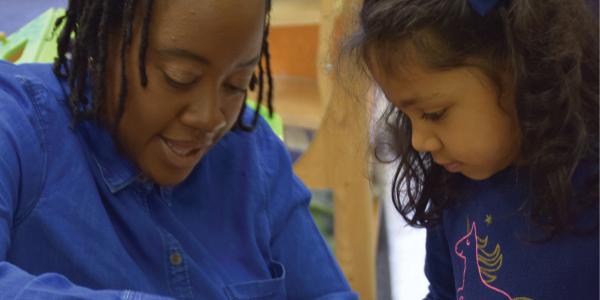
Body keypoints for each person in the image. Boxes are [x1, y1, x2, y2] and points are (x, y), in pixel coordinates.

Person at [0, 0, 356, 299]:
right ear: (101, 45)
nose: (210, 117)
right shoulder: (18, 124)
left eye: (237, 84)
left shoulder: (253, 154)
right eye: (179, 77)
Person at [344, 0, 599, 299]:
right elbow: (444, 291)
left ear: (518, 66)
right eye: (404, 114)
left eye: (434, 113)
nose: (419, 141)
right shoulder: (454, 184)